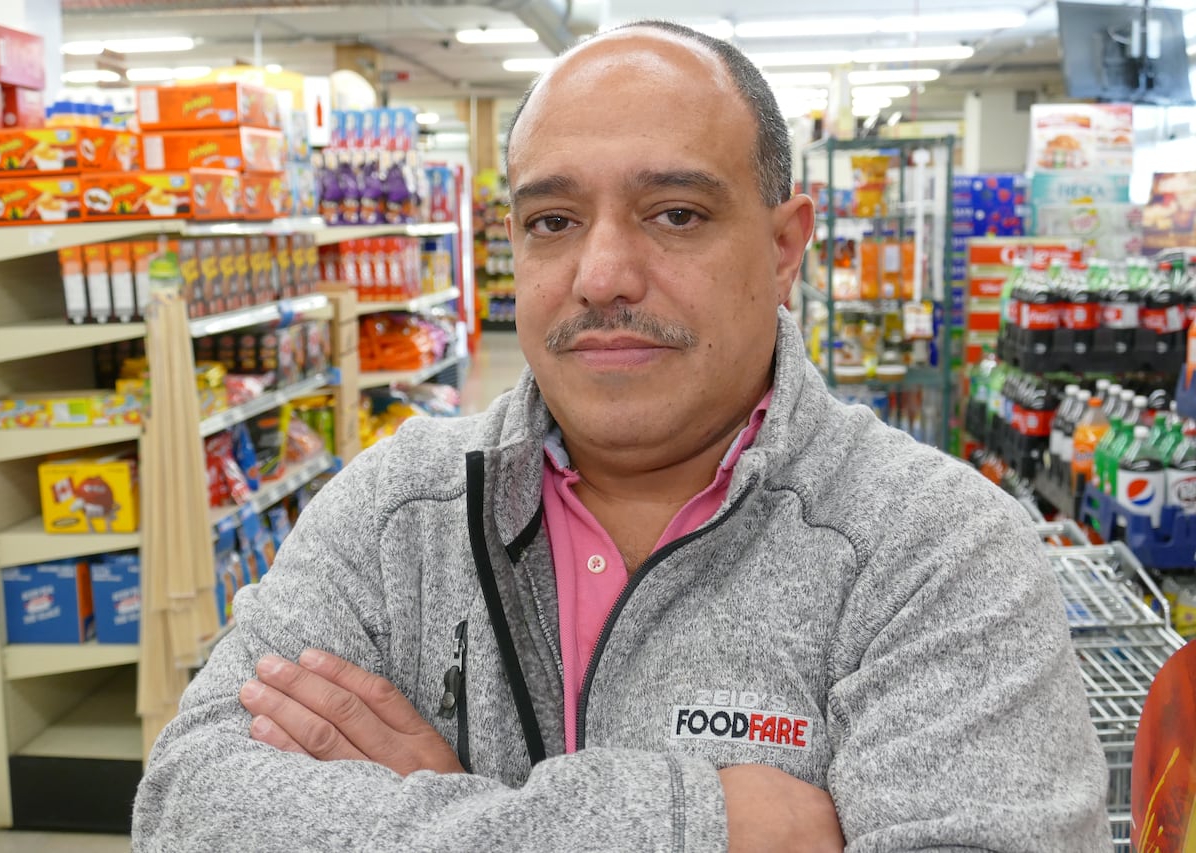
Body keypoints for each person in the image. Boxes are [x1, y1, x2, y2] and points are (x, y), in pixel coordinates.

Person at [133, 20, 1112, 851]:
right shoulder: (400, 510)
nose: (599, 273)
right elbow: (187, 807)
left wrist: (419, 808)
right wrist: (702, 823)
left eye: (674, 213)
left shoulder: (935, 549)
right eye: (552, 220)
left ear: (782, 248)